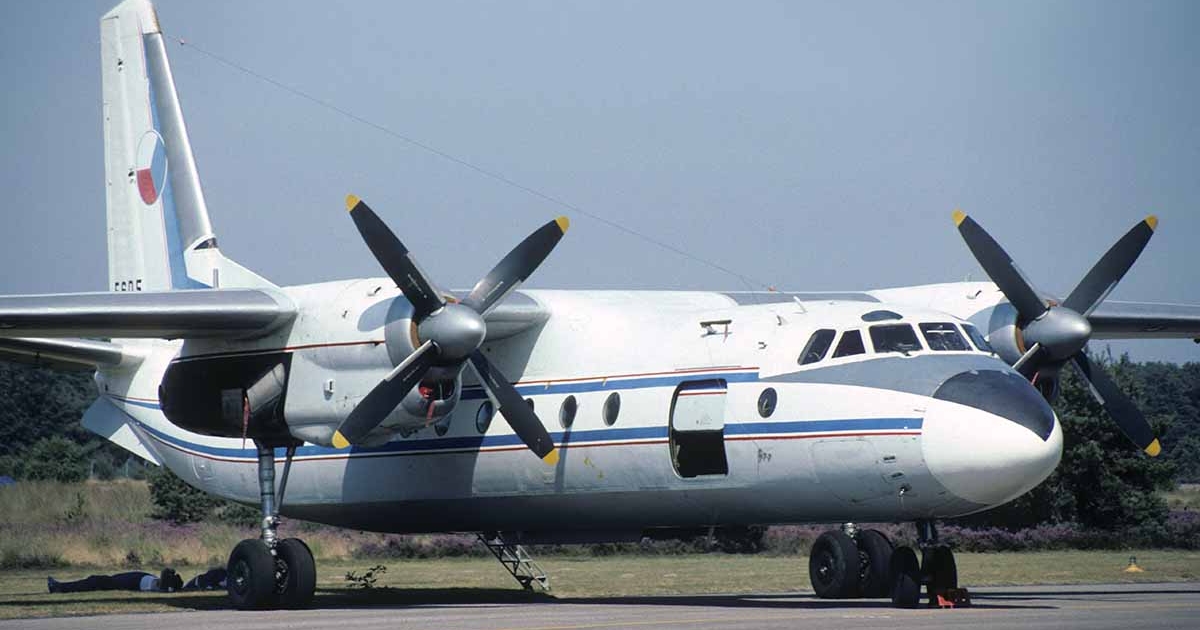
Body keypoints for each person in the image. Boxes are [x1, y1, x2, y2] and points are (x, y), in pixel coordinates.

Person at [48, 568, 183, 593]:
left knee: (94, 581)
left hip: (132, 582)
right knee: (95, 581)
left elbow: (162, 588)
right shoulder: (158, 584)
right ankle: (59, 587)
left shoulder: (160, 589)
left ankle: (59, 588)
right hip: (138, 578)